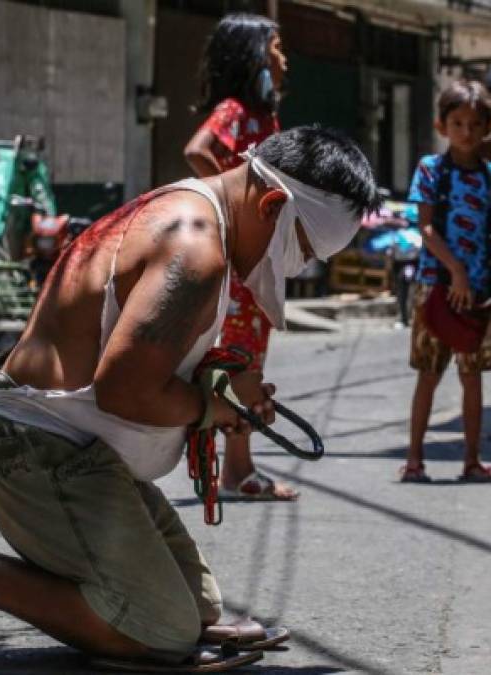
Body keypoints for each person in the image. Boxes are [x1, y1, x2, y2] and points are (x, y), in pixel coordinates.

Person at [0, 127, 379, 666]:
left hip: (77, 451)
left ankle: (125, 609)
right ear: (271, 203)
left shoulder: (189, 209)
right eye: (304, 249)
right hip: (38, 451)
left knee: (199, 608)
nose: (298, 267)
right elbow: (124, 389)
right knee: (162, 629)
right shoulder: (195, 248)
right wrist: (209, 409)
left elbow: (140, 356)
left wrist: (219, 391)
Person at [183, 13, 297, 501]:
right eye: (275, 46)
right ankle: (236, 471)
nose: (282, 56)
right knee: (238, 364)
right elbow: (197, 150)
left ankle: (232, 467)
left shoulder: (265, 116)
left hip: (257, 260)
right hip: (238, 263)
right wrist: (228, 211)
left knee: (245, 362)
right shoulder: (235, 111)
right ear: (254, 56)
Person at [400, 80, 491, 484]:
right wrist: (457, 271)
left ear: (488, 127)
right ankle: (414, 459)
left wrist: (476, 274)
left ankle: (471, 460)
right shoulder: (431, 170)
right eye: (458, 122)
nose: (467, 131)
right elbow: (426, 227)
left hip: (480, 294)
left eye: (475, 123)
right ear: (442, 125)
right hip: (435, 286)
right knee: (428, 374)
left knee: (472, 376)